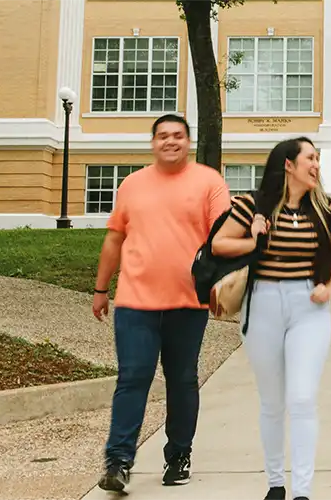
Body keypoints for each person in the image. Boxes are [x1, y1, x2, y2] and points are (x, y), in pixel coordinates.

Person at [91, 114, 231, 492]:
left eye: (178, 136)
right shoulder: (133, 184)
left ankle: (179, 455)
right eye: (163, 136)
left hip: (188, 302)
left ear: (189, 142)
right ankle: (118, 461)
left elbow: (223, 239)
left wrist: (217, 283)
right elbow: (114, 239)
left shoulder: (209, 182)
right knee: (133, 377)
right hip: (136, 301)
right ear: (152, 142)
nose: (171, 141)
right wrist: (101, 288)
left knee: (182, 380)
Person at [209, 137, 331, 500]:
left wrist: (329, 286)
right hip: (264, 302)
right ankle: (276, 484)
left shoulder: (326, 209)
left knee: (302, 399)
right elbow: (219, 244)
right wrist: (254, 241)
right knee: (272, 402)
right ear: (288, 165)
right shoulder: (253, 207)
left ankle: (302, 490)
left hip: (309, 306)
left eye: (318, 158)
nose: (317, 165)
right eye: (311, 158)